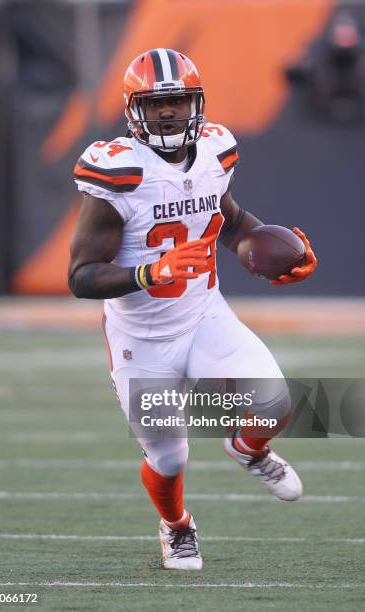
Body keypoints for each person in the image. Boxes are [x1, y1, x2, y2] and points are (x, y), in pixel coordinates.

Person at [69, 48, 318, 571]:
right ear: (133, 110)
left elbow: (227, 222)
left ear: (196, 103)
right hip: (141, 335)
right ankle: (177, 526)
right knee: (169, 456)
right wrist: (148, 273)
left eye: (177, 100)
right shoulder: (117, 172)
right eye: (156, 103)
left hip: (204, 313)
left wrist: (272, 250)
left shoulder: (215, 150)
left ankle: (247, 450)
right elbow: (81, 276)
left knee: (273, 403)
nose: (167, 113)